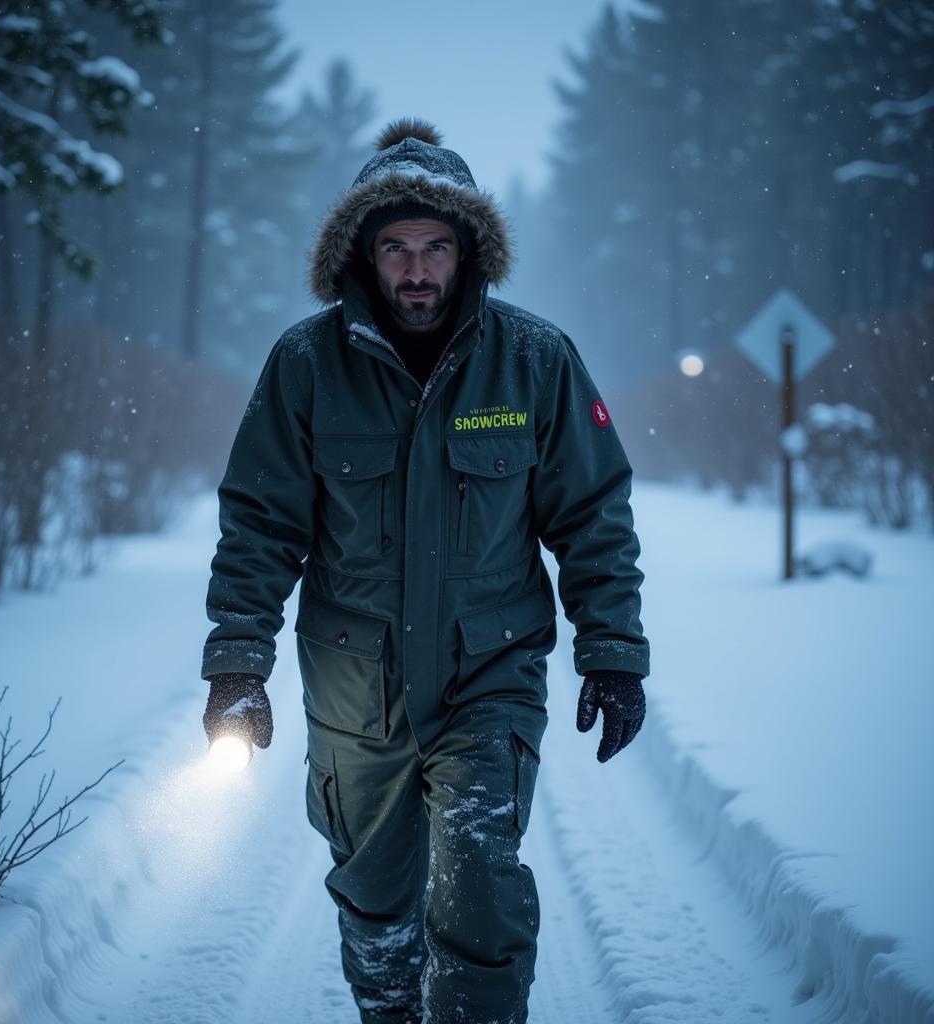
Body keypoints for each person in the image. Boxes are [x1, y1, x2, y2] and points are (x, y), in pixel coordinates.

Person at [200, 117, 650, 1024]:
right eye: (396, 247)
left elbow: (591, 514)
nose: (416, 270)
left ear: (467, 251)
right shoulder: (305, 363)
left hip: (492, 669)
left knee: (480, 883)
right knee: (374, 900)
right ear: (362, 255)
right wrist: (238, 663)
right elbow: (259, 523)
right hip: (353, 682)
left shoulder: (533, 360)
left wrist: (614, 650)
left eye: (436, 247)